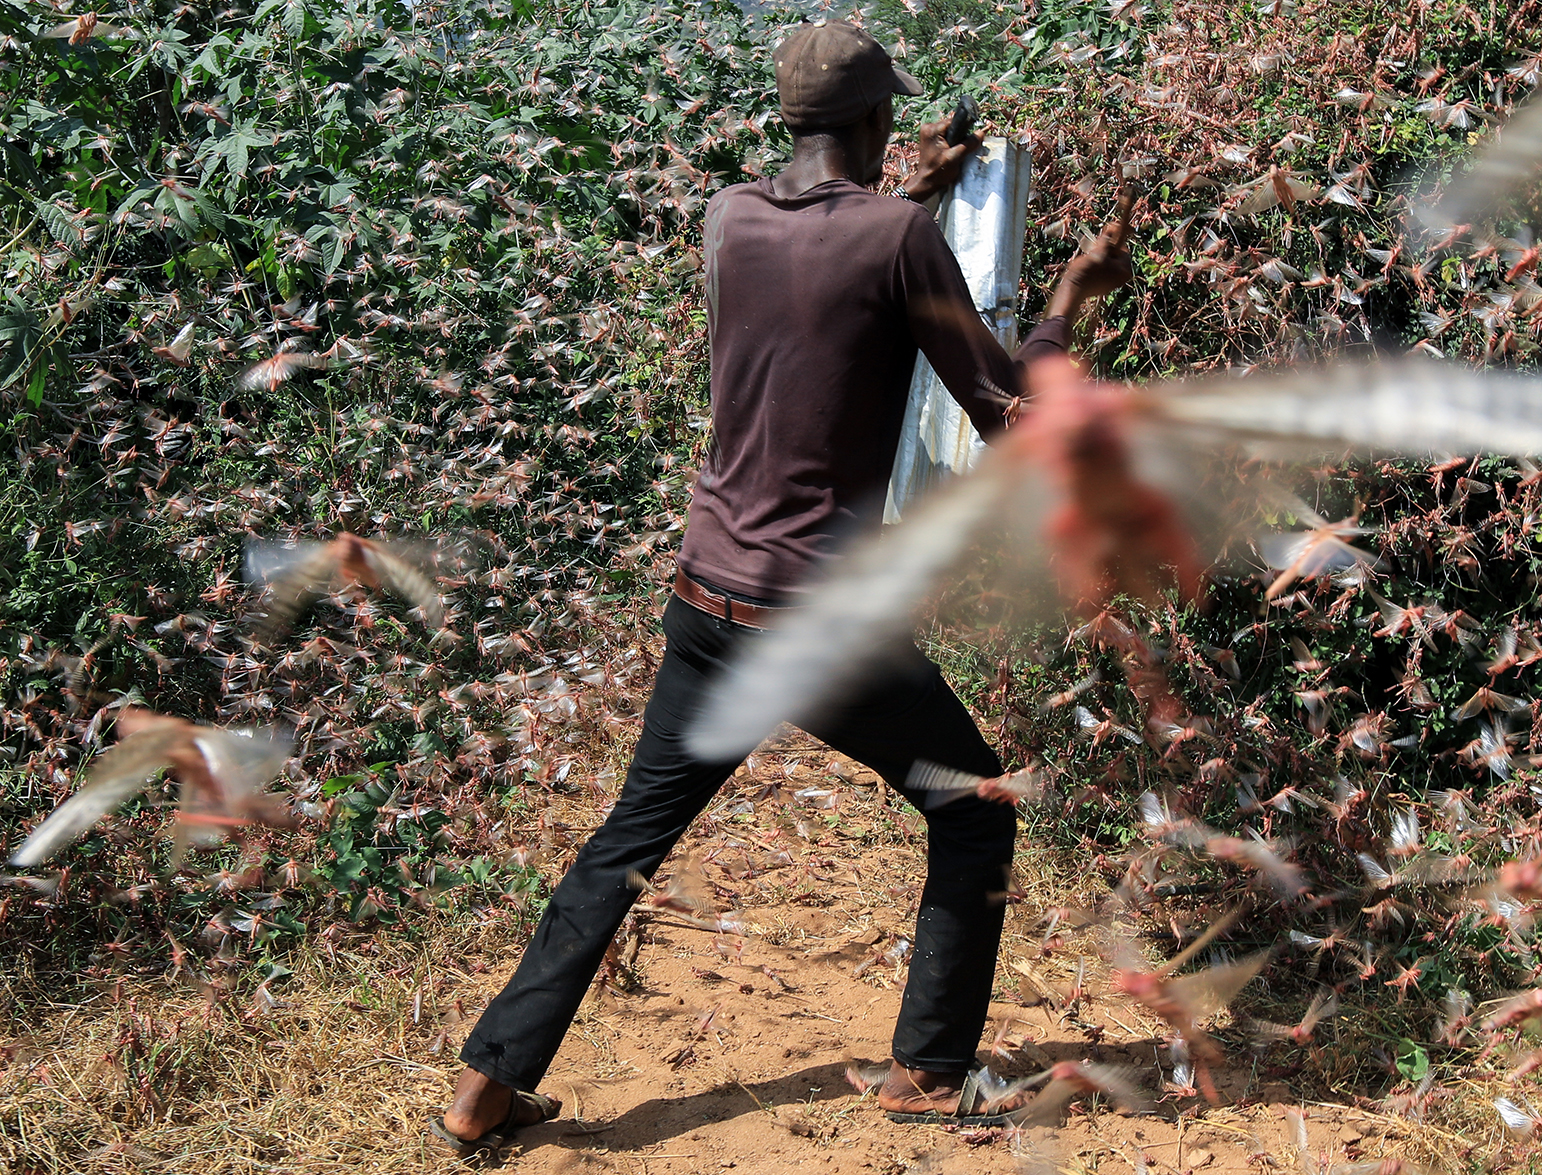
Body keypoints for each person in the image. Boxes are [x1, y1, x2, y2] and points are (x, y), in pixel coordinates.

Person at [429, 19, 1135, 1153]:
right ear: (875, 121)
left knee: (625, 840)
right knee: (971, 804)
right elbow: (1012, 411)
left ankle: (485, 1086)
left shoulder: (726, 216)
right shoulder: (899, 238)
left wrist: (914, 189)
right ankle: (925, 1071)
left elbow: (823, 267)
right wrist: (1070, 294)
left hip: (706, 596)